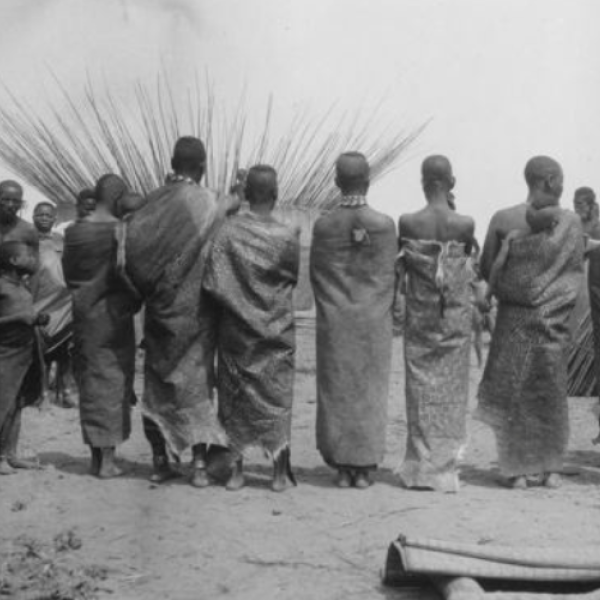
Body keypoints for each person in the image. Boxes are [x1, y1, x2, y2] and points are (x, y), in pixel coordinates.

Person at [123, 136, 239, 487]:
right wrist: (235, 196)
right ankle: (200, 466)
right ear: (202, 167)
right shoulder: (208, 202)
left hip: (158, 309)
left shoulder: (149, 205)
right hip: (197, 311)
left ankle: (160, 462)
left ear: (171, 164)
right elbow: (222, 225)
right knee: (197, 386)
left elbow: (130, 255)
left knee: (158, 386)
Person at [477, 156, 584, 489]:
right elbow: (573, 272)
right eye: (562, 180)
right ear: (551, 181)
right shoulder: (570, 223)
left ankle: (516, 471)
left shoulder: (502, 218)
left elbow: (486, 267)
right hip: (551, 324)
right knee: (549, 395)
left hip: (513, 324)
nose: (563, 187)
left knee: (515, 394)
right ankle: (550, 469)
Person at [203, 165, 300, 492]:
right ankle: (278, 475)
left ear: (245, 195)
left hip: (236, 332)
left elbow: (214, 282)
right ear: (275, 195)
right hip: (276, 331)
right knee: (278, 399)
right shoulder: (287, 236)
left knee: (234, 401)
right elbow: (290, 280)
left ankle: (236, 473)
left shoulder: (227, 232)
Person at [311, 152, 396, 489]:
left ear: (336, 182)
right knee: (369, 392)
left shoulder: (324, 225)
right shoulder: (385, 225)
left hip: (335, 322)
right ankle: (363, 468)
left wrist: (333, 309)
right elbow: (391, 277)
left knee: (337, 391)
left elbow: (316, 275)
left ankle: (342, 469)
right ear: (369, 180)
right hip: (373, 322)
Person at [396, 155, 475, 493]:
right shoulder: (465, 224)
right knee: (453, 394)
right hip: (454, 320)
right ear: (451, 182)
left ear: (423, 181)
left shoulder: (408, 222)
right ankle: (445, 469)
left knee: (419, 393)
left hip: (420, 321)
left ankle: (419, 468)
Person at [62, 174, 140, 479]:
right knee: (112, 383)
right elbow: (124, 273)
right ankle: (108, 462)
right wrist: (136, 297)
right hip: (112, 314)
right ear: (118, 198)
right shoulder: (118, 231)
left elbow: (69, 276)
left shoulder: (73, 232)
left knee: (90, 381)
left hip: (83, 313)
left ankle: (95, 458)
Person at [0, 241, 48, 475]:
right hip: (5, 354)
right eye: (28, 255)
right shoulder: (2, 287)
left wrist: (38, 319)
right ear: (13, 261)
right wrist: (19, 318)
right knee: (2, 403)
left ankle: (10, 454)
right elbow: (14, 318)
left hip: (24, 353)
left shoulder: (23, 287)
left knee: (16, 405)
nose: (34, 259)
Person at [30, 201, 76, 407]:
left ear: (55, 218)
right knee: (40, 349)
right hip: (39, 299)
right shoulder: (27, 239)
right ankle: (43, 392)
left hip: (64, 301)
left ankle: (65, 389)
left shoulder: (61, 240)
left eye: (48, 215)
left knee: (65, 347)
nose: (44, 218)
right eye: (40, 214)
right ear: (33, 216)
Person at [0, 180, 38, 250]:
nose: (10, 205)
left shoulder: (29, 230)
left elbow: (33, 259)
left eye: (15, 201)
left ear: (20, 204)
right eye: (5, 200)